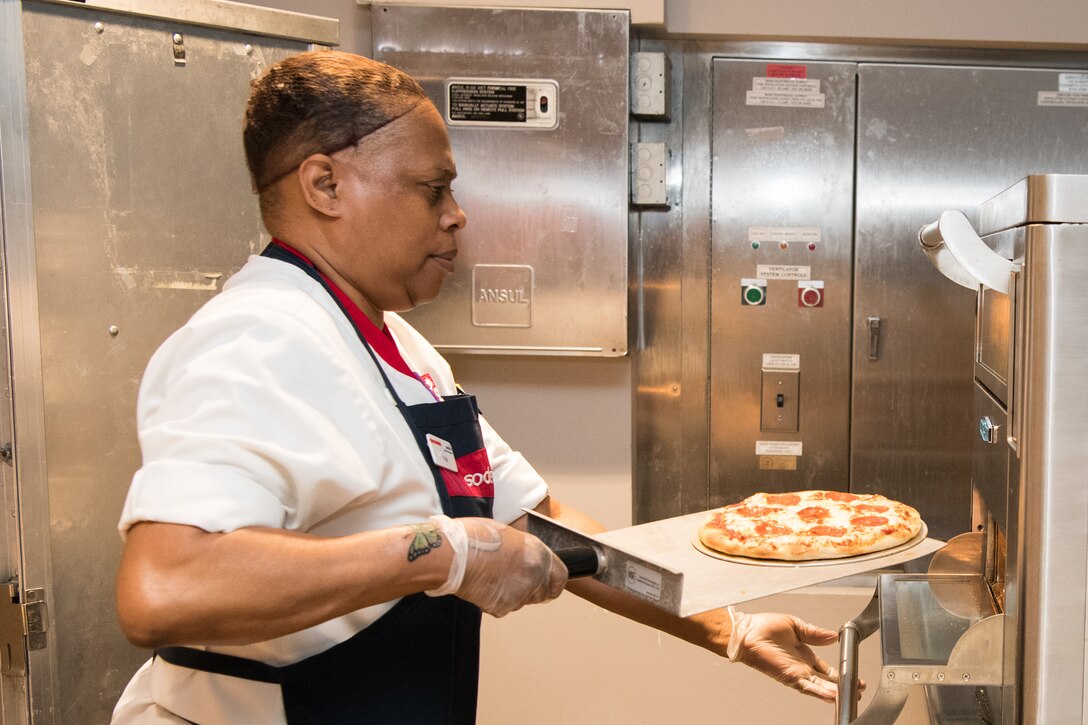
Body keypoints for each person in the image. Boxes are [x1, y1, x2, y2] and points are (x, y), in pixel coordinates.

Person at [112, 50, 844, 724]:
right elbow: (165, 587)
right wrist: (445, 552)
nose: (455, 215)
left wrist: (729, 627)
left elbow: (537, 522)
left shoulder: (398, 345)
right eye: (432, 189)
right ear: (324, 184)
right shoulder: (256, 337)